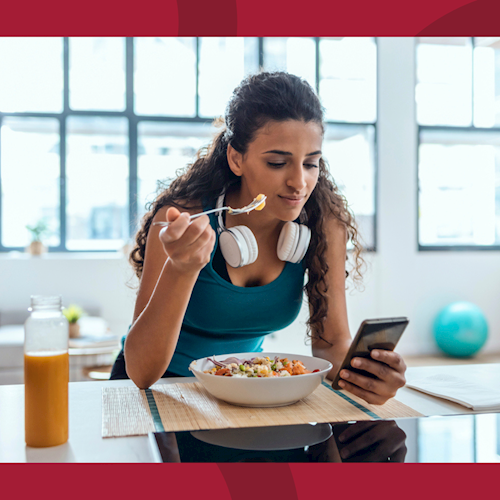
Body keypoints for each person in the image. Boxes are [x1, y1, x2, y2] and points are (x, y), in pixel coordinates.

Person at [110, 71, 406, 405]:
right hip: (164, 391)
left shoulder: (325, 225)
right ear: (237, 158)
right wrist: (181, 268)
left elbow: (331, 343)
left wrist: (365, 377)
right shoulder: (182, 222)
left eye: (311, 164)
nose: (299, 182)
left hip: (245, 392)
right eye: (278, 162)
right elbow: (141, 372)